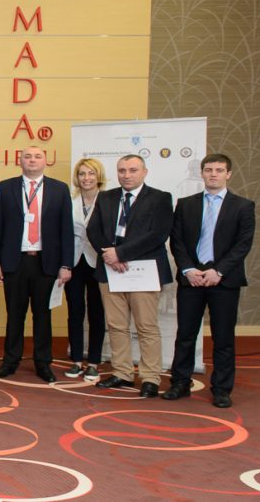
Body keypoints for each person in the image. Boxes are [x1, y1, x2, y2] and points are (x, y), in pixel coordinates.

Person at [164, 154, 255, 408]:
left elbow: (243, 244)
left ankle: (222, 389)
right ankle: (180, 383)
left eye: (219, 170)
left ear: (228, 174)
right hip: (191, 279)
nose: (213, 174)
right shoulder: (185, 204)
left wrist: (219, 271)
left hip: (224, 281)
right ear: (202, 173)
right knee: (185, 335)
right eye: (208, 169)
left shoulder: (243, 206)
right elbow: (177, 240)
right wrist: (188, 269)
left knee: (223, 338)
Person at [86, 155, 173, 397]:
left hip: (143, 272)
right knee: (116, 326)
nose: (126, 175)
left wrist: (121, 253)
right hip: (110, 271)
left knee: (146, 326)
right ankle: (122, 372)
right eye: (122, 170)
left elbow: (158, 234)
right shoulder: (106, 197)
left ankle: (150, 377)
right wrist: (110, 255)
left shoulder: (160, 198)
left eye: (133, 170)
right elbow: (93, 230)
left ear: (144, 172)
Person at [0, 147, 74, 383]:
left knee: (43, 316)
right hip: (14, 262)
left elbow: (66, 229)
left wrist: (66, 264)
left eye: (37, 156)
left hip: (46, 263)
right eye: (27, 156)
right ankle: (10, 361)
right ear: (20, 161)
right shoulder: (5, 187)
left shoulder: (59, 189)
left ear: (45, 161)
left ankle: (43, 363)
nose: (32, 160)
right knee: (14, 315)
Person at [65, 158, 107, 381]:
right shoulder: (70, 201)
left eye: (91, 173)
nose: (86, 178)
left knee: (96, 313)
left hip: (99, 262)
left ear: (98, 176)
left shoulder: (108, 201)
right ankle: (76, 361)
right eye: (82, 174)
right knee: (75, 312)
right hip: (74, 262)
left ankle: (93, 362)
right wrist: (64, 264)